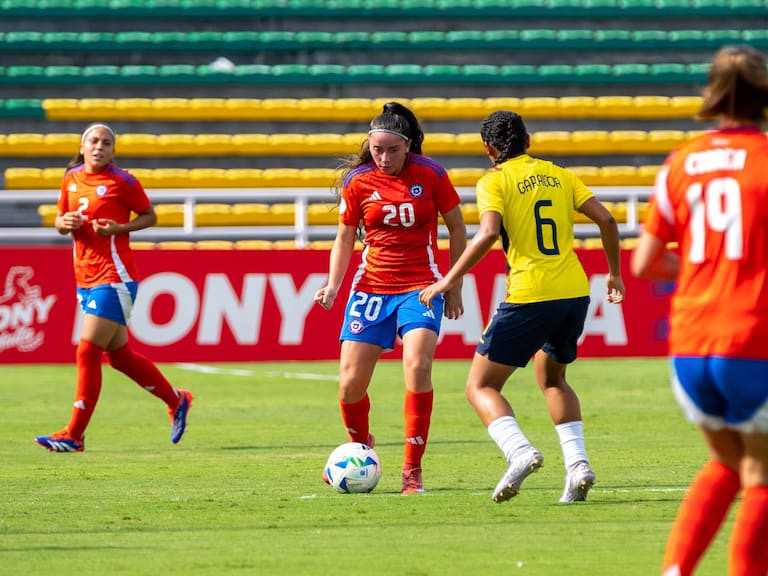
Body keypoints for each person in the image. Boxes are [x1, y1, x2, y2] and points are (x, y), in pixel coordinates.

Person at [419, 110, 625, 503]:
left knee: (480, 385)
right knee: (553, 379)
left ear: (489, 149)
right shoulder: (560, 175)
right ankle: (578, 464)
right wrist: (614, 274)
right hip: (573, 293)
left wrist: (449, 279)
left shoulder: (495, 180)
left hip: (531, 293)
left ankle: (519, 451)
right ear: (529, 142)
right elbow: (608, 220)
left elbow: (489, 232)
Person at [631, 45, 768, 576]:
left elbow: (645, 262)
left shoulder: (681, 162)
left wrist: (701, 270)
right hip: (752, 338)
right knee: (760, 473)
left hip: (690, 343)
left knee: (726, 461)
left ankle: (676, 570)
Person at [313, 101, 466, 494]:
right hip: (371, 286)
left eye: (392, 150)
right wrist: (333, 285)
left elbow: (458, 228)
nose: (383, 158)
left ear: (409, 145)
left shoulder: (431, 174)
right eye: (377, 149)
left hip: (422, 286)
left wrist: (453, 284)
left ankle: (412, 470)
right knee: (349, 385)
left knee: (417, 367)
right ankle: (361, 446)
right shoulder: (358, 181)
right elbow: (345, 236)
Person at [34, 122, 193, 453]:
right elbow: (61, 220)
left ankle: (74, 435)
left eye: (106, 143)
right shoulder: (71, 178)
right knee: (119, 357)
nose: (99, 147)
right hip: (85, 278)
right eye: (94, 141)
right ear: (82, 146)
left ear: (112, 151)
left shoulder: (123, 182)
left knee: (87, 350)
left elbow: (150, 215)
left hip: (115, 277)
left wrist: (122, 227)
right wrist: (63, 223)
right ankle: (176, 399)